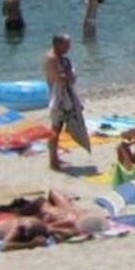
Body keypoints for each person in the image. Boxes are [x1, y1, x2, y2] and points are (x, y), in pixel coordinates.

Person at [43, 33, 89, 172]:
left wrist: (69, 74)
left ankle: (55, 158)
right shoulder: (52, 58)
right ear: (57, 44)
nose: (69, 48)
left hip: (64, 96)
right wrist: (70, 73)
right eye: (66, 45)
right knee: (55, 129)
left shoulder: (61, 58)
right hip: (58, 98)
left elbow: (68, 77)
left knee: (59, 127)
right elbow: (61, 78)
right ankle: (53, 161)